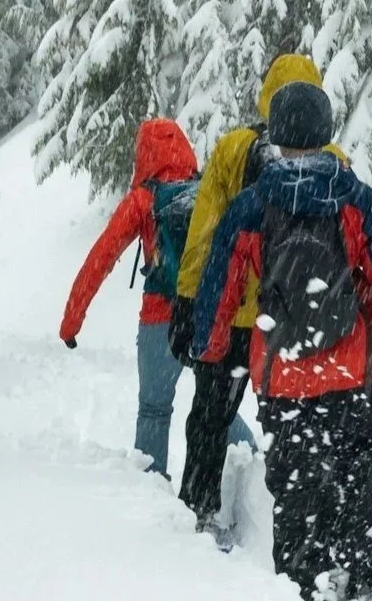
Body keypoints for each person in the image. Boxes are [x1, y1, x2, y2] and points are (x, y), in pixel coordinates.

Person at [191, 81, 372, 601]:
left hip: (284, 373)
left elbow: (220, 288)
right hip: (353, 370)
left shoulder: (252, 206)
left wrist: (210, 347)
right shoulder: (355, 200)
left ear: (274, 135)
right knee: (361, 467)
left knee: (297, 484)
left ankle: (307, 591)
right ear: (326, 131)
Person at [170, 53, 337, 528]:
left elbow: (204, 235)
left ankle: (197, 513)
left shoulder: (232, 148)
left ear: (268, 96)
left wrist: (188, 304)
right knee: (298, 430)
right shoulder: (334, 162)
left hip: (232, 319)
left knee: (209, 418)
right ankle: (299, 529)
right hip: (296, 326)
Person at [58, 118, 241, 479]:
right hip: (207, 316)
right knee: (218, 406)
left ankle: (153, 503)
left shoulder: (143, 200)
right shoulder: (206, 191)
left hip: (159, 320)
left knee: (155, 410)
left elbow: (101, 258)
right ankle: (248, 470)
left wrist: (71, 323)